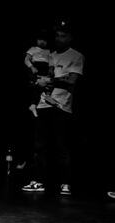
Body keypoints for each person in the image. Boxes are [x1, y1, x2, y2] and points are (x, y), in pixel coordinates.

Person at [22, 21, 84, 195]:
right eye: (57, 35)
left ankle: (65, 183)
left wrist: (48, 81)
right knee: (39, 145)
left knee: (61, 145)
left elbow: (72, 80)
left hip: (61, 106)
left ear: (70, 37)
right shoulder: (50, 54)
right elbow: (39, 76)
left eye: (63, 35)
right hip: (43, 104)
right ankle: (38, 180)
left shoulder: (76, 56)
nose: (59, 38)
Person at [25, 29, 54, 117]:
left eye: (44, 40)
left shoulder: (48, 51)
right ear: (37, 40)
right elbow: (26, 60)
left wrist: (51, 68)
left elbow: (51, 61)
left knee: (49, 82)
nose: (42, 42)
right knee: (37, 86)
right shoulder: (33, 49)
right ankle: (33, 105)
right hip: (36, 68)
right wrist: (32, 67)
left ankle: (47, 96)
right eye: (40, 40)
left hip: (45, 69)